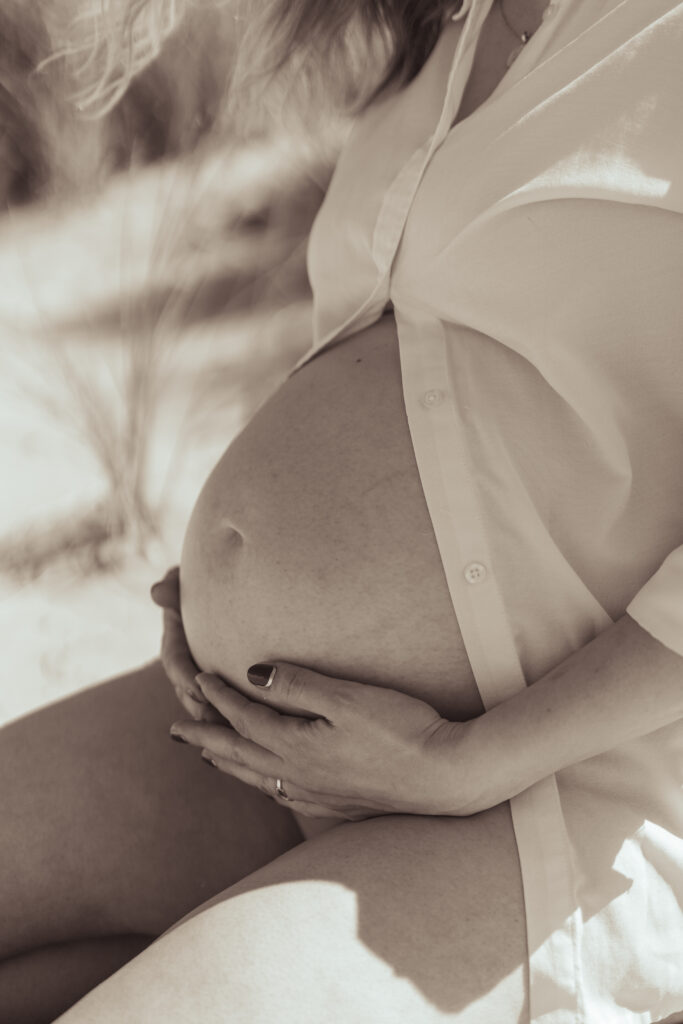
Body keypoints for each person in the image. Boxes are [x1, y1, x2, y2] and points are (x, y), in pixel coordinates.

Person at [1, 0, 682, 1021]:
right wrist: (235, 586)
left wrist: (464, 762)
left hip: (541, 798)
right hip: (255, 743)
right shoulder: (447, 33)